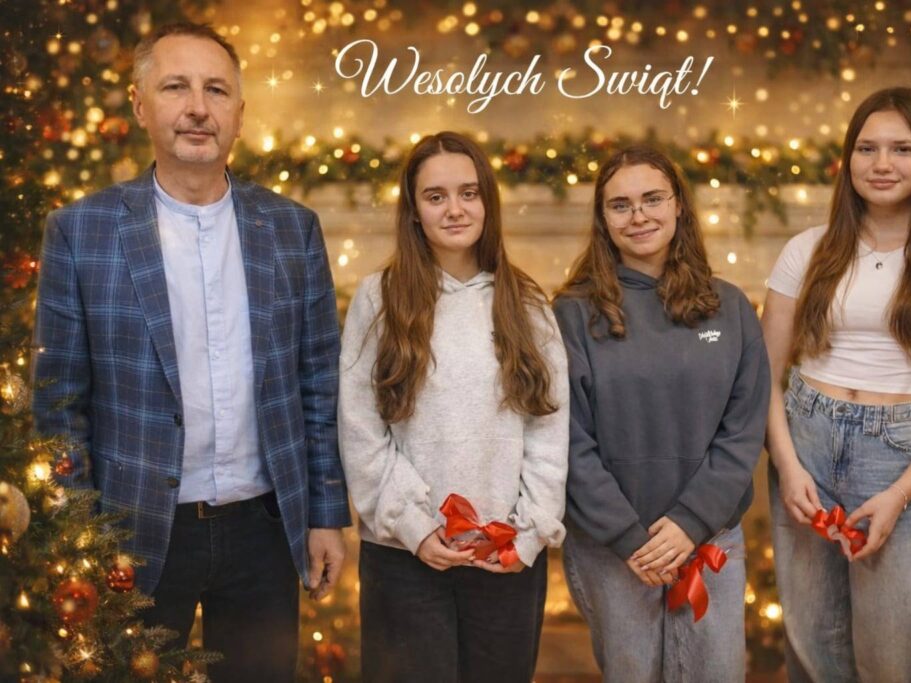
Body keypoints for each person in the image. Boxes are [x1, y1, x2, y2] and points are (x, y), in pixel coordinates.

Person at [31, 22, 350, 681]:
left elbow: (319, 382)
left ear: (239, 113)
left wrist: (326, 514)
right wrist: (77, 537)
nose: (198, 107)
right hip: (131, 532)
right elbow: (58, 404)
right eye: (176, 87)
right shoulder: (81, 231)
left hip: (264, 530)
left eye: (217, 90)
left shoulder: (292, 228)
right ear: (140, 104)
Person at [762, 87, 911, 682]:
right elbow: (762, 377)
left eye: (902, 149)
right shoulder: (806, 251)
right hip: (806, 442)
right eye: (866, 148)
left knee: (897, 655)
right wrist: (788, 467)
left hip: (903, 456)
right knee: (813, 647)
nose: (882, 164)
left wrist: (900, 493)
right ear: (848, 158)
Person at [339, 131, 569, 683]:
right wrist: (415, 526)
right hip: (404, 555)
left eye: (469, 193)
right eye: (435, 196)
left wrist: (529, 533)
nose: (455, 209)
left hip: (503, 556)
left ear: (487, 202)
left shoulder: (527, 303)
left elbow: (549, 428)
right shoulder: (378, 298)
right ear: (414, 210)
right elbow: (360, 426)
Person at [552, 145, 770, 683]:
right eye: (620, 205)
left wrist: (691, 522)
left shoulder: (730, 307)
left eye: (652, 199)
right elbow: (567, 438)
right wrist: (630, 537)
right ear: (603, 219)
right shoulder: (573, 313)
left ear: (678, 206)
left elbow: (743, 431)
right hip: (614, 547)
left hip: (710, 537)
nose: (639, 216)